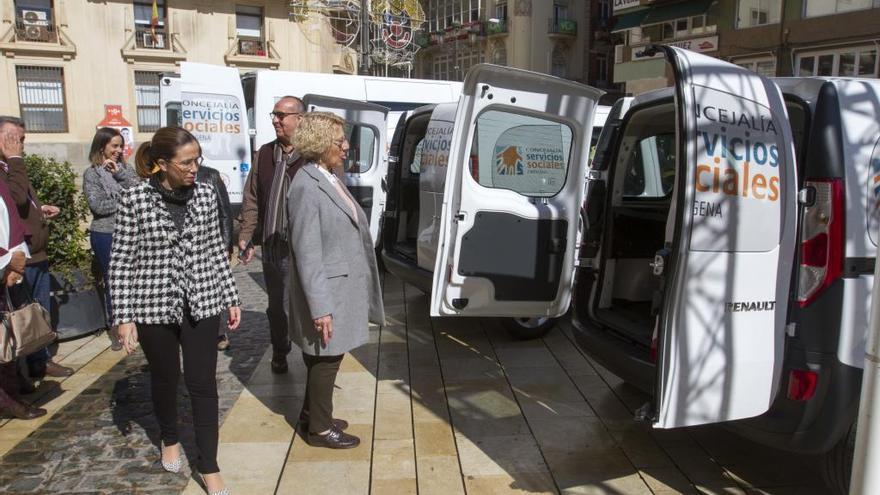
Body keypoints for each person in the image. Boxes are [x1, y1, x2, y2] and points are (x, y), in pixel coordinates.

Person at [110, 126, 241, 495]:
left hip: (202, 302)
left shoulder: (205, 192)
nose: (194, 167)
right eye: (186, 162)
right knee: (166, 380)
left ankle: (209, 464)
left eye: (197, 159)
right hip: (153, 307)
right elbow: (121, 262)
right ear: (162, 163)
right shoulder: (134, 198)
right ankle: (169, 437)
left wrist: (230, 296)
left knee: (203, 385)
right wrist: (124, 318)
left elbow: (217, 250)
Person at [287, 112, 384, 449]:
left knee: (323, 357)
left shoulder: (325, 175)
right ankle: (320, 430)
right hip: (328, 290)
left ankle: (312, 415)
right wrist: (321, 308)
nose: (346, 146)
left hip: (339, 285)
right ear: (320, 143)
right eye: (340, 140)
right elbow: (307, 252)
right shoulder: (306, 185)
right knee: (326, 359)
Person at [0, 116, 72, 387]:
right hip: (18, 257)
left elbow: (20, 204)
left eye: (21, 139)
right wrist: (15, 159)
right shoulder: (9, 165)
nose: (19, 144)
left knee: (38, 312)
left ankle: (39, 360)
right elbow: (14, 198)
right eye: (14, 138)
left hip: (37, 253)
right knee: (21, 315)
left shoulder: (11, 166)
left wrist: (38, 211)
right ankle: (20, 372)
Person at [238, 96, 306, 374]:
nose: (276, 120)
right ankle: (280, 350)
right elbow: (252, 197)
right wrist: (246, 235)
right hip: (272, 246)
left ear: (299, 119)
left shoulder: (313, 155)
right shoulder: (264, 154)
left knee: (304, 305)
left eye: (282, 115)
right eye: (274, 114)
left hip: (302, 248)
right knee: (277, 307)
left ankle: (314, 356)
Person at [82, 127, 140, 351]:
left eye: (120, 145)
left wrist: (120, 175)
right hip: (106, 234)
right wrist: (127, 200)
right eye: (114, 146)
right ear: (102, 146)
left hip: (132, 232)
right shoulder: (92, 173)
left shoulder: (125, 168)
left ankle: (135, 323)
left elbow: (140, 191)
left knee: (134, 280)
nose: (118, 150)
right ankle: (117, 329)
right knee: (114, 282)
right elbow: (97, 205)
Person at [0, 178, 46, 420]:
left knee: (6, 335)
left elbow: (10, 218)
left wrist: (15, 262)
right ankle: (8, 399)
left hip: (7, 262)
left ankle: (13, 389)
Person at [195, 166, 233, 351]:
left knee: (215, 290)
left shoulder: (209, 175)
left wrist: (226, 244)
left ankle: (218, 331)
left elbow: (224, 211)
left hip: (212, 244)